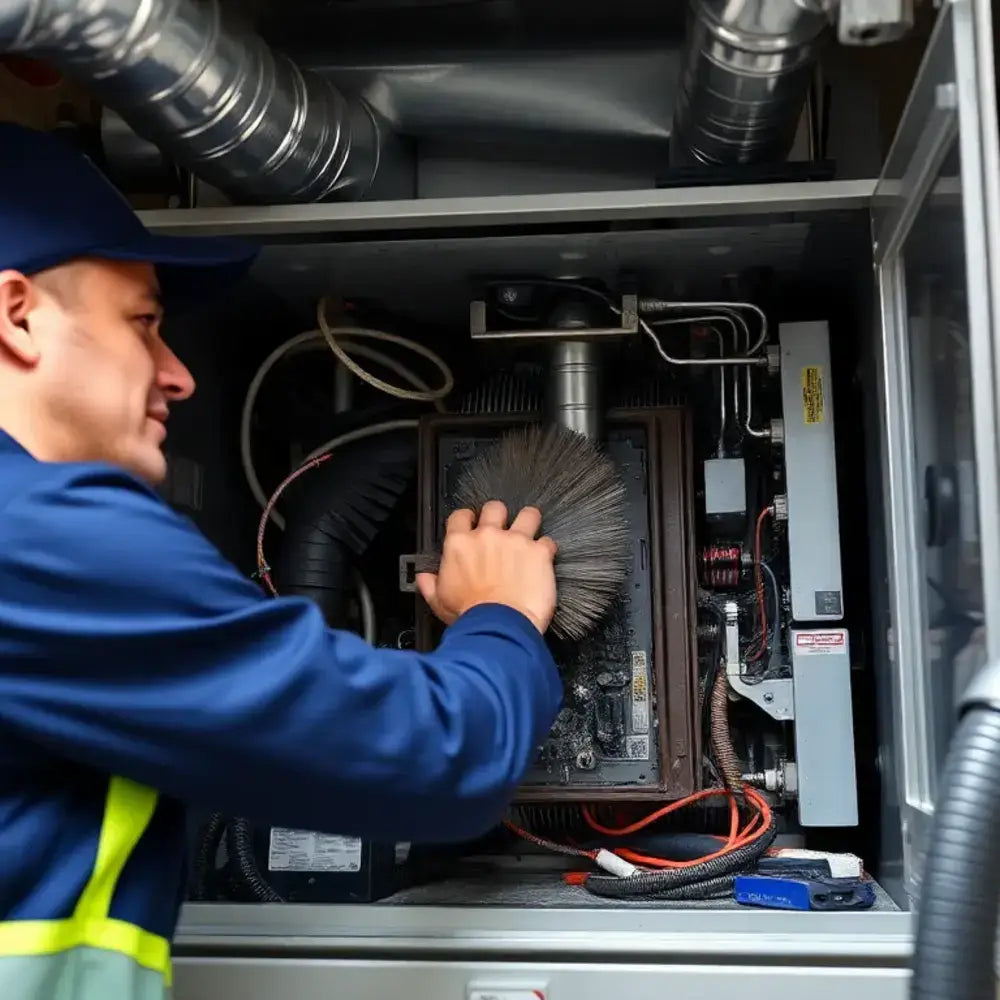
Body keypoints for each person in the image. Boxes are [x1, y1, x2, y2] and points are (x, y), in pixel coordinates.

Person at [0, 122, 562, 1000]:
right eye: (143, 323)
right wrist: (503, 616)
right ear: (18, 314)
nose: (178, 373)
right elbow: (440, 758)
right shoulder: (42, 538)